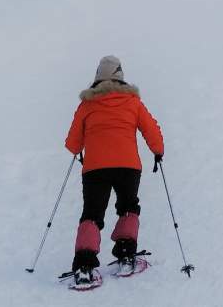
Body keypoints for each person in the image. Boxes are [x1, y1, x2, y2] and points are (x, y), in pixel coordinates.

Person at [65, 55, 164, 286]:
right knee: (128, 206)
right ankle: (127, 256)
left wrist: (83, 144)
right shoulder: (133, 102)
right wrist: (158, 151)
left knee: (92, 213)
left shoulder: (87, 104)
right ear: (120, 75)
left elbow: (72, 143)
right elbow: (152, 130)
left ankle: (84, 267)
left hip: (95, 169)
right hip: (128, 166)